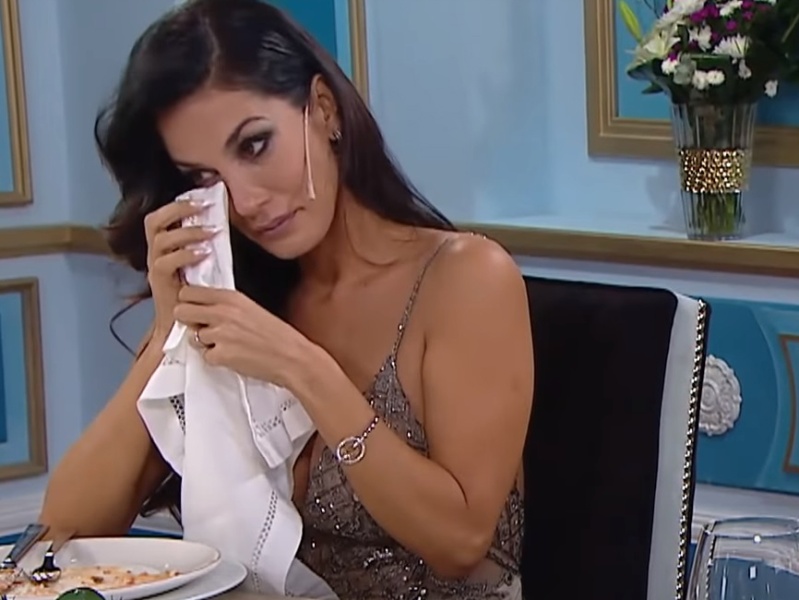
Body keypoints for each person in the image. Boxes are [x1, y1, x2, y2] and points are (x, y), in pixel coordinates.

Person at [39, 0, 534, 598]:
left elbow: (460, 542)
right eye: (203, 178)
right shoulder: (236, 299)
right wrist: (169, 331)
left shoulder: (466, 279)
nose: (244, 201)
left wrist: (303, 369)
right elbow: (60, 539)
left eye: (254, 146)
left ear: (323, 109)